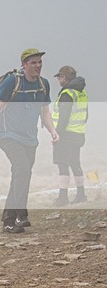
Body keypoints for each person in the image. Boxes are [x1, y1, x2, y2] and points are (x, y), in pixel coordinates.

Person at [0, 49, 59, 232]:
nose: (38, 66)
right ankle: (21, 214)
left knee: (21, 175)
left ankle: (9, 221)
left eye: (40, 62)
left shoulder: (43, 84)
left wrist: (53, 131)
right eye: (33, 62)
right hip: (8, 136)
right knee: (23, 168)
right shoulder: (12, 82)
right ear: (24, 65)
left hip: (30, 139)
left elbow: (45, 112)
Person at [51, 65, 88, 206]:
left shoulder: (67, 94)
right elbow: (86, 115)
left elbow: (63, 118)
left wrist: (56, 134)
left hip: (66, 135)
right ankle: (81, 194)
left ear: (64, 77)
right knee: (75, 163)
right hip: (78, 133)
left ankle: (63, 197)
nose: (59, 80)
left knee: (63, 165)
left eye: (59, 77)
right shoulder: (81, 92)